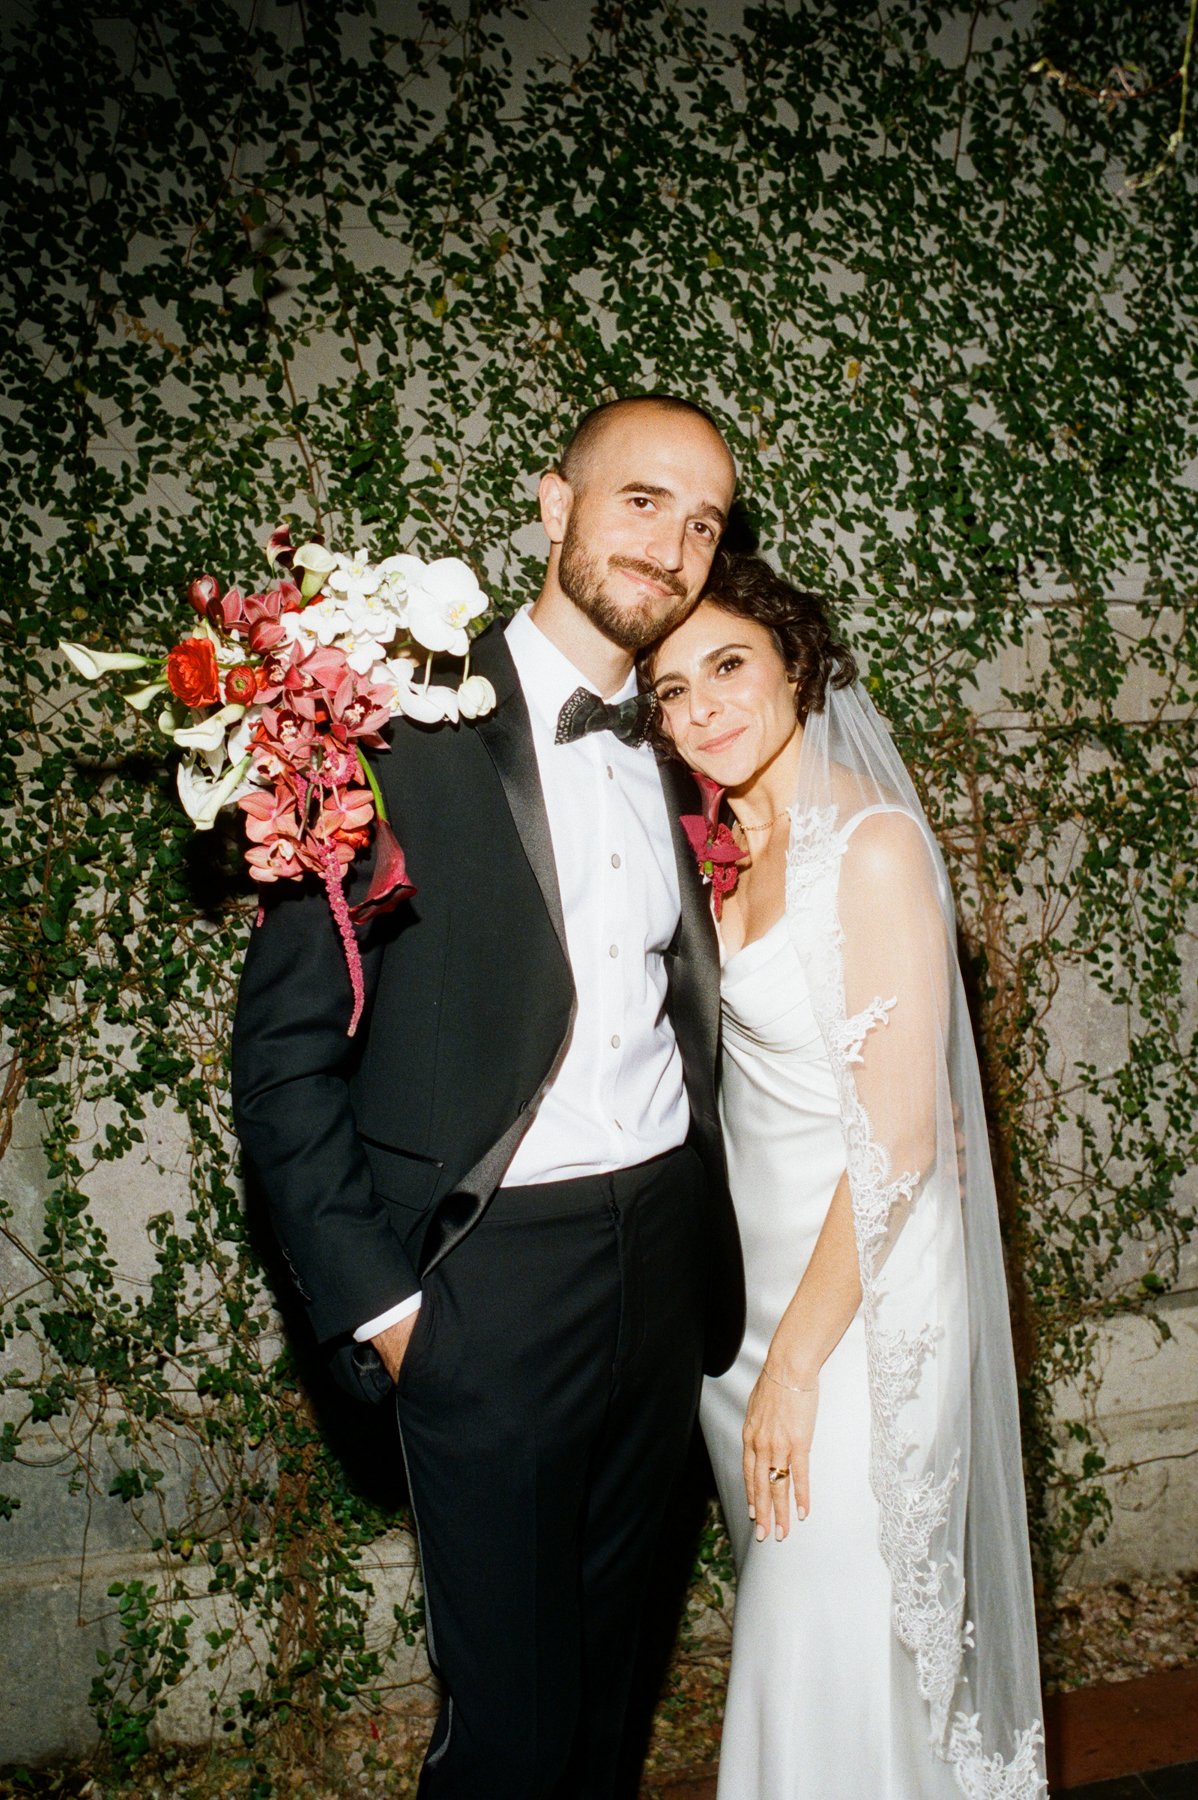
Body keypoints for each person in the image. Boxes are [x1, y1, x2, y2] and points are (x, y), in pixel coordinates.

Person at [230, 394, 745, 1800]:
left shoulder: (687, 733)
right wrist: (390, 1315)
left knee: (607, 1708)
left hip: (661, 1268)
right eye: (641, 499)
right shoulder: (388, 723)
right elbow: (281, 1065)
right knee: (507, 1742)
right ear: (551, 502)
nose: (674, 544)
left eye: (703, 520)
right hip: (486, 1286)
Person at [641, 552, 1047, 1798]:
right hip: (751, 1308)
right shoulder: (723, 846)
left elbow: (901, 1143)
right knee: (844, 1644)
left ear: (794, 664)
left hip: (857, 1320)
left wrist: (800, 1368)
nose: (702, 707)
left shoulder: (866, 844)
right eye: (668, 690)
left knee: (811, 1627)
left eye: (727, 666)